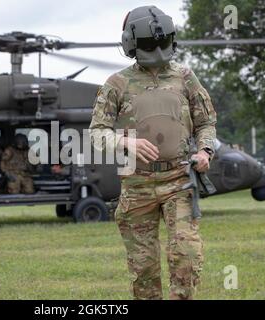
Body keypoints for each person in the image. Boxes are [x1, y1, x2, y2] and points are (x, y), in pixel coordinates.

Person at [89, 5, 217, 300]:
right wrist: (125, 142)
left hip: (179, 180)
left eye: (160, 42)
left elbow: (206, 122)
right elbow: (97, 133)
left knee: (186, 256)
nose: (157, 49)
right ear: (132, 44)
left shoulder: (185, 78)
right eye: (149, 43)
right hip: (137, 184)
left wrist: (205, 151)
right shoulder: (116, 84)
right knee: (144, 269)